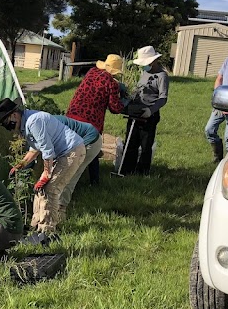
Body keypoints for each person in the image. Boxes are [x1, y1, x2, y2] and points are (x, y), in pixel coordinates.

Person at [0, 97, 86, 240]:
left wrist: (46, 174)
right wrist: (21, 164)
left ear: (14, 115)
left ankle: (47, 232)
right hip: (61, 153)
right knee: (39, 189)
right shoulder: (26, 123)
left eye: (6, 122)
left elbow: (47, 151)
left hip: (71, 151)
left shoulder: (34, 121)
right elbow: (35, 148)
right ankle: (35, 226)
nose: (7, 126)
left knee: (50, 189)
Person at [65, 53, 128, 184]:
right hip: (90, 121)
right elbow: (115, 108)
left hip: (72, 114)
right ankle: (93, 181)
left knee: (70, 146)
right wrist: (125, 100)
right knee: (92, 149)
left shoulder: (92, 72)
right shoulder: (111, 83)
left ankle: (71, 175)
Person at [122, 45, 169, 175]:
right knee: (131, 142)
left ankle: (142, 172)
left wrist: (151, 110)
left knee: (145, 145)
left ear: (153, 61)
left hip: (149, 115)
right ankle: (127, 170)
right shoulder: (144, 72)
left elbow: (163, 98)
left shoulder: (162, 76)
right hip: (136, 112)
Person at [54, 114, 103, 205]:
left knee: (70, 173)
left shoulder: (46, 127)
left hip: (90, 140)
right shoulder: (39, 124)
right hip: (77, 139)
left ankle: (60, 207)